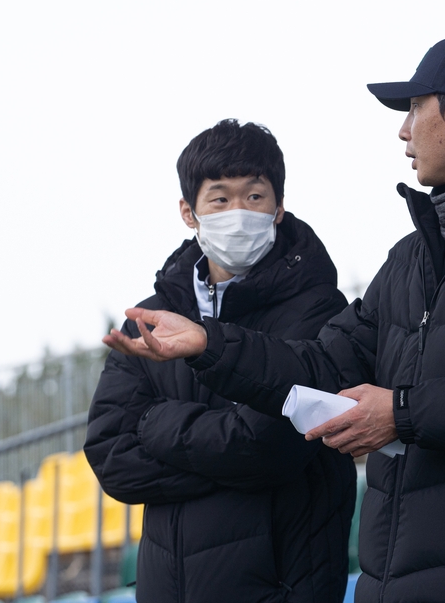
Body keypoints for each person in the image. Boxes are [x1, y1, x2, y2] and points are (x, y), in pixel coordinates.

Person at [108, 37, 445, 603]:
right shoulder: (412, 257)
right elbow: (321, 363)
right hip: (398, 579)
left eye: (414, 109)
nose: (403, 131)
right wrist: (207, 344)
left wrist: (403, 413)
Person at [86, 118, 356, 603]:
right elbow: (112, 458)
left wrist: (153, 423)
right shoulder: (149, 320)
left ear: (278, 208)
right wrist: (231, 449)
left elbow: (272, 446)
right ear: (189, 213)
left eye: (254, 197)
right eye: (220, 199)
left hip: (283, 584)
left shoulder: (320, 310)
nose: (239, 213)